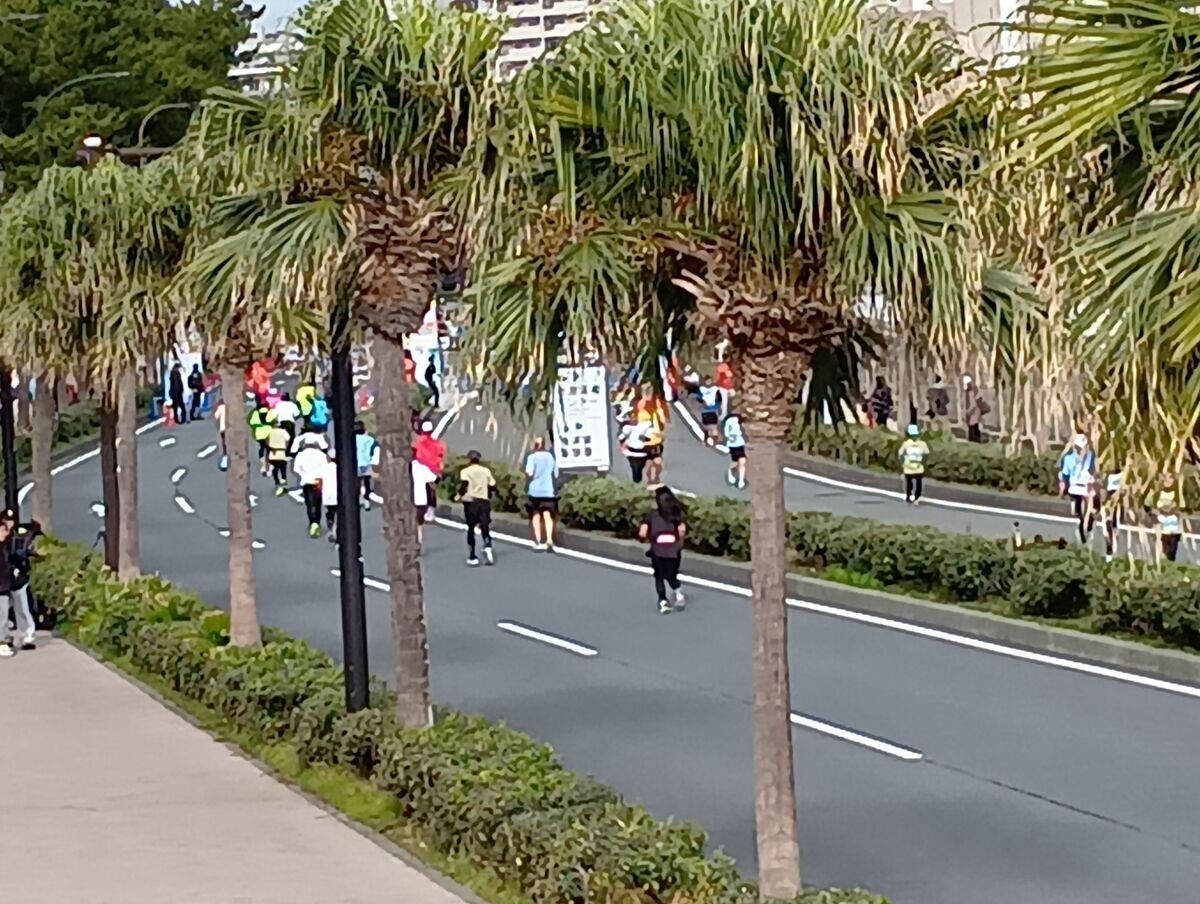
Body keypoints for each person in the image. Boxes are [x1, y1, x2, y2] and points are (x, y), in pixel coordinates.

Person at [638, 486, 687, 614]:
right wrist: (678, 546)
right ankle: (679, 594)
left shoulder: (652, 515)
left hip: (657, 551)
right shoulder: (676, 515)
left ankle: (663, 601)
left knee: (659, 576)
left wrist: (647, 539)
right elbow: (682, 531)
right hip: (673, 551)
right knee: (671, 575)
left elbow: (642, 533)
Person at [455, 450, 496, 566]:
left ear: (469, 459)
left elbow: (464, 484)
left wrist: (459, 495)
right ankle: (487, 545)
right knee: (484, 526)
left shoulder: (465, 471)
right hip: (484, 501)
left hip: (471, 502)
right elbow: (493, 485)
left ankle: (472, 556)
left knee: (471, 528)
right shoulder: (486, 471)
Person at [1059, 433, 1098, 543]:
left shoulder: (1089, 456)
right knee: (1086, 511)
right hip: (1076, 488)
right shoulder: (1069, 458)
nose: (1080, 450)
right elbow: (1065, 476)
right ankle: (1084, 529)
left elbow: (1093, 471)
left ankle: (1086, 525)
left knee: (1090, 509)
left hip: (1085, 488)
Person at [292, 427, 329, 538]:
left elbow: (296, 469)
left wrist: (302, 474)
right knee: (318, 502)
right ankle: (317, 521)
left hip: (306, 481)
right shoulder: (321, 455)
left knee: (309, 503)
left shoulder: (300, 455)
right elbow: (326, 467)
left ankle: (312, 522)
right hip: (318, 481)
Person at [525, 437, 559, 551]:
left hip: (535, 491)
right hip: (548, 490)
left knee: (536, 514)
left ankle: (538, 540)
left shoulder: (532, 457)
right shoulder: (550, 457)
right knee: (547, 515)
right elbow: (556, 474)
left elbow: (529, 473)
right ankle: (549, 539)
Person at [1151, 473, 1185, 563]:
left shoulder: (1175, 490)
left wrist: (1170, 509)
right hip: (1161, 515)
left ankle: (1170, 556)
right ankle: (1160, 557)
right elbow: (1155, 503)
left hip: (1171, 516)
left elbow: (1177, 503)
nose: (1170, 480)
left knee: (1172, 538)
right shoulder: (1159, 489)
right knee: (1161, 537)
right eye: (1168, 477)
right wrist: (1158, 511)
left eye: (1172, 478)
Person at [897, 423, 930, 504]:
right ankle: (916, 497)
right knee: (918, 483)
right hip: (919, 467)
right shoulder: (922, 444)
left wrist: (902, 463)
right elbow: (926, 454)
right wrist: (923, 462)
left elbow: (900, 454)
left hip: (908, 467)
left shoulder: (906, 443)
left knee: (909, 483)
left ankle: (909, 496)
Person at [354, 420, 380, 511]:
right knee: (367, 483)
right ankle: (366, 501)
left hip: (356, 465)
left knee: (356, 483)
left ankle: (358, 499)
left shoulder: (352, 440)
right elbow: (375, 450)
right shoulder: (370, 439)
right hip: (367, 465)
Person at [412, 456, 438, 545]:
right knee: (419, 524)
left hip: (404, 498)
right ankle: (418, 542)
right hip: (420, 499)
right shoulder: (422, 467)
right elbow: (435, 479)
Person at [618, 415, 651, 484]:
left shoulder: (644, 426)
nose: (633, 420)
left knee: (638, 466)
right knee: (635, 466)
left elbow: (621, 438)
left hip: (640, 452)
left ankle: (637, 477)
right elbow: (621, 438)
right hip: (633, 451)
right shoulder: (628, 428)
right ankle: (636, 478)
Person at [248, 401, 275, 476]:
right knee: (270, 449)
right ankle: (269, 465)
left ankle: (263, 465)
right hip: (269, 434)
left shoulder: (255, 413)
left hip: (259, 434)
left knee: (262, 448)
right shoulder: (270, 412)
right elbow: (274, 421)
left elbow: (251, 422)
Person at [266, 419, 292, 495]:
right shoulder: (283, 431)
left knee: (274, 468)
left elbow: (266, 441)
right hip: (281, 452)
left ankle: (276, 479)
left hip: (272, 452)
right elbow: (288, 438)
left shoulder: (269, 431)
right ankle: (283, 478)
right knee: (282, 466)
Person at [696, 375, 723, 445]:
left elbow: (719, 398)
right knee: (706, 426)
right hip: (705, 409)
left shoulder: (715, 388)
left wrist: (718, 406)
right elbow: (698, 398)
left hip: (713, 409)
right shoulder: (701, 389)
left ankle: (715, 439)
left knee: (714, 425)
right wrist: (703, 402)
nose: (709, 382)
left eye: (710, 380)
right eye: (707, 381)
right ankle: (706, 438)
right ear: (705, 381)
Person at [724, 410, 747, 488]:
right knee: (735, 462)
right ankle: (730, 472)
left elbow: (745, 433)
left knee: (742, 461)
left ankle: (741, 480)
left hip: (740, 443)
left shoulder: (742, 422)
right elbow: (726, 432)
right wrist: (730, 438)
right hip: (733, 444)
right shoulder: (730, 421)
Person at [320, 451, 339, 543]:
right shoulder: (340, 468)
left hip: (327, 495)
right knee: (337, 512)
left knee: (330, 513)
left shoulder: (323, 467)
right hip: (338, 495)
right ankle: (335, 530)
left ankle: (332, 528)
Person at [964, 374, 988, 443]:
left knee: (972, 425)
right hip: (975, 411)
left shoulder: (970, 392)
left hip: (973, 412)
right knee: (974, 425)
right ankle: (975, 437)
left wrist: (968, 411)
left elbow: (972, 404)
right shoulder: (972, 390)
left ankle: (974, 438)